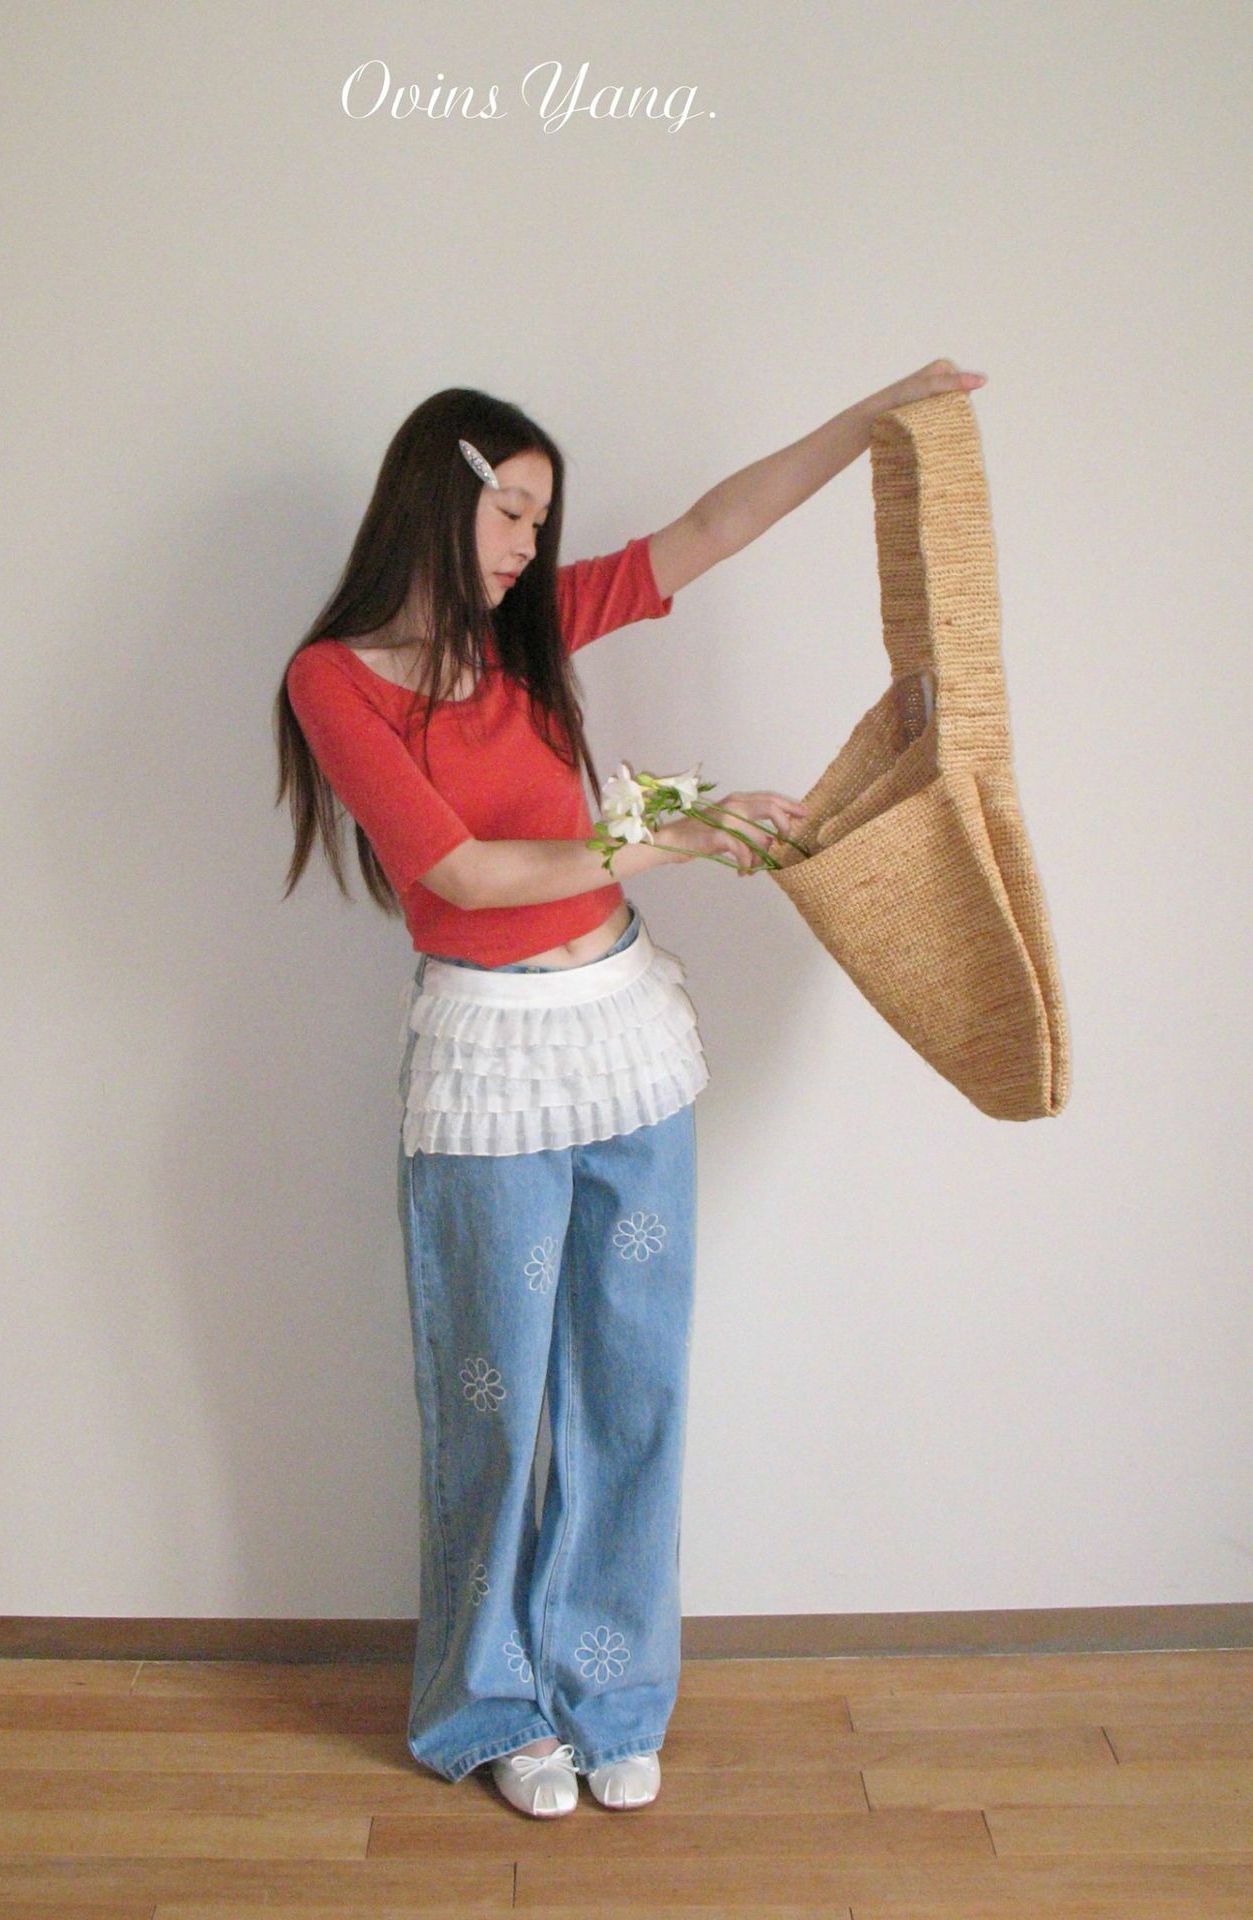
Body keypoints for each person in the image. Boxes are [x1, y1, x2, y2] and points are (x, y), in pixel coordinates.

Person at [273, 363, 986, 1818]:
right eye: (512, 513)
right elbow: (463, 873)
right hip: (489, 1065)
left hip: (626, 1042)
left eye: (541, 522)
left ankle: (609, 1696)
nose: (528, 547)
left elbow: (713, 526)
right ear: (439, 496)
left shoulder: (530, 633)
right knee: (494, 1401)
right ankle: (490, 1708)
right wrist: (676, 836)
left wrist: (870, 419)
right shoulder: (332, 679)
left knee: (630, 1385)